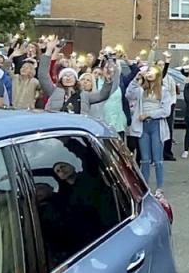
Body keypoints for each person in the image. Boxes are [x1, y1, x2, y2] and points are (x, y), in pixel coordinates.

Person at [38, 38, 121, 115]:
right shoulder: (53, 91)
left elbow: (103, 94)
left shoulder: (85, 95)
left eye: (71, 75)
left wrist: (109, 79)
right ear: (60, 80)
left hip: (76, 128)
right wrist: (48, 51)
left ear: (76, 79)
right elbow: (43, 76)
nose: (68, 77)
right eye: (65, 76)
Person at [125, 65, 172, 195]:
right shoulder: (141, 90)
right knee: (144, 159)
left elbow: (166, 111)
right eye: (147, 71)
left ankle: (159, 187)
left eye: (152, 71)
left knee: (158, 160)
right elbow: (128, 94)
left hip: (156, 125)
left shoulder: (163, 90)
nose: (149, 73)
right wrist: (136, 78)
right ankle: (144, 187)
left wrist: (150, 114)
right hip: (142, 126)